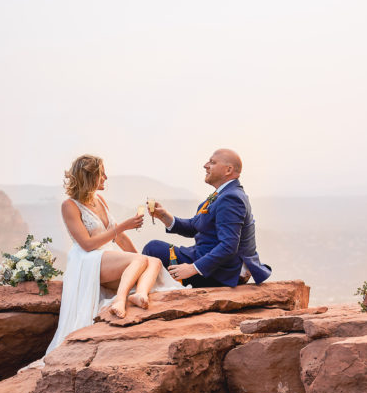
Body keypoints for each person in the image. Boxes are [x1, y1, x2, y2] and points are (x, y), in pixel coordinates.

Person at [43, 155, 183, 353]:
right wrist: (124, 227)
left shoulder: (99, 199)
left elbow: (121, 239)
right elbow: (87, 244)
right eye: (102, 174)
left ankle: (140, 294)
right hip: (88, 260)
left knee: (154, 261)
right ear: (89, 176)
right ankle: (120, 299)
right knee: (141, 260)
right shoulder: (70, 205)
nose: (106, 178)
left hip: (108, 257)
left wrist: (142, 262)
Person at [144, 149, 271, 287]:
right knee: (154, 248)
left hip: (222, 271)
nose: (205, 165)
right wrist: (164, 216)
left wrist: (192, 269)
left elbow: (229, 246)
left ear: (228, 170)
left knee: (153, 248)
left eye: (212, 162)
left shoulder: (231, 198)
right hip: (207, 258)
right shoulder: (223, 194)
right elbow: (195, 226)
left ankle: (140, 292)